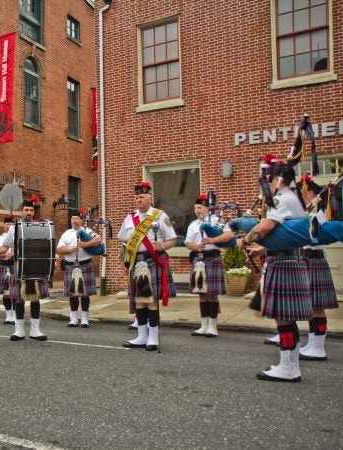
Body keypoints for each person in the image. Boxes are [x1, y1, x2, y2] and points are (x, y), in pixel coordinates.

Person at [237, 158, 311, 382]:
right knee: (287, 319)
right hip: (288, 259)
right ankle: (290, 365)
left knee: (283, 318)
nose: (266, 184)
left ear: (278, 179)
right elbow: (281, 234)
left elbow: (266, 226)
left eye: (268, 179)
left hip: (285, 264)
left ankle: (288, 368)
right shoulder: (291, 198)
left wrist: (246, 240)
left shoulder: (282, 199)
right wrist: (263, 249)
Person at [118, 181, 177, 351]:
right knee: (139, 301)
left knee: (151, 301)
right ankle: (141, 336)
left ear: (150, 198)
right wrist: (125, 259)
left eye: (142, 197)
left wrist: (163, 246)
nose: (138, 200)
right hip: (137, 262)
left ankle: (153, 337)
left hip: (153, 260)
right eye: (136, 197)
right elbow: (123, 240)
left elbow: (172, 239)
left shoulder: (160, 216)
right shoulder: (130, 218)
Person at [0, 200, 49, 341]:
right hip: (19, 267)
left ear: (34, 212)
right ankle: (19, 330)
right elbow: (5, 246)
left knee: (35, 298)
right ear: (22, 211)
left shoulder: (40, 226)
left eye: (31, 210)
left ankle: (35, 330)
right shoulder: (14, 228)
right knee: (19, 299)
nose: (29, 213)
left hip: (36, 267)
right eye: (26, 210)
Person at [297, 176, 338, 361]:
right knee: (312, 306)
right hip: (306, 261)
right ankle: (313, 342)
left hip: (314, 261)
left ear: (311, 193)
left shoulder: (319, 214)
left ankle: (318, 346)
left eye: (301, 192)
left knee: (317, 307)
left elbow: (311, 235)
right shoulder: (308, 211)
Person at [185, 194, 233, 337]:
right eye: (195, 208)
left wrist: (213, 239)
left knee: (212, 295)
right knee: (201, 295)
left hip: (212, 259)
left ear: (207, 208)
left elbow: (229, 235)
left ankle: (213, 327)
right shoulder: (193, 224)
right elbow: (187, 242)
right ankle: (203, 325)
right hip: (198, 260)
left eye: (199, 207)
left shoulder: (217, 221)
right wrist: (196, 247)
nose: (197, 210)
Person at [57, 212, 101, 328]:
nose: (74, 220)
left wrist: (86, 244)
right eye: (72, 218)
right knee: (73, 294)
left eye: (76, 218)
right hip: (71, 265)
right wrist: (71, 250)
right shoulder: (66, 233)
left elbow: (98, 239)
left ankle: (85, 318)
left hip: (85, 264)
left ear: (81, 220)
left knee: (85, 294)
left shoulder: (87, 230)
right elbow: (60, 248)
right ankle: (73, 318)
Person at [0, 216, 15, 324]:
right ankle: (8, 315)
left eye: (11, 224)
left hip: (14, 265)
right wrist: (4, 254)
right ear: (4, 225)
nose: (9, 226)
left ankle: (15, 315)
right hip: (3, 265)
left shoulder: (16, 236)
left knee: (15, 292)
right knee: (6, 293)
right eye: (7, 224)